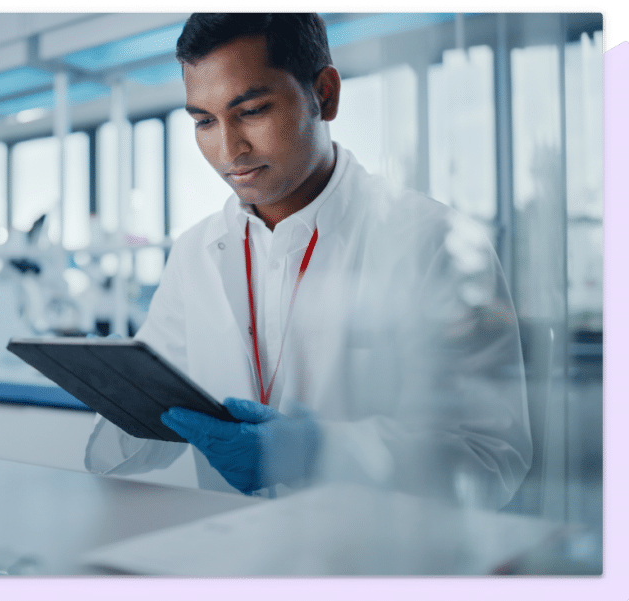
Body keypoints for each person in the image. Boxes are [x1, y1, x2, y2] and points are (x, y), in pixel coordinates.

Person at [84, 12, 531, 509]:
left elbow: (492, 457)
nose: (228, 149)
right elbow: (134, 438)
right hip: (235, 558)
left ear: (325, 93)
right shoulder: (196, 253)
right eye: (204, 121)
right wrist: (111, 393)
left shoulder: (433, 242)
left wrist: (318, 453)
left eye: (251, 110)